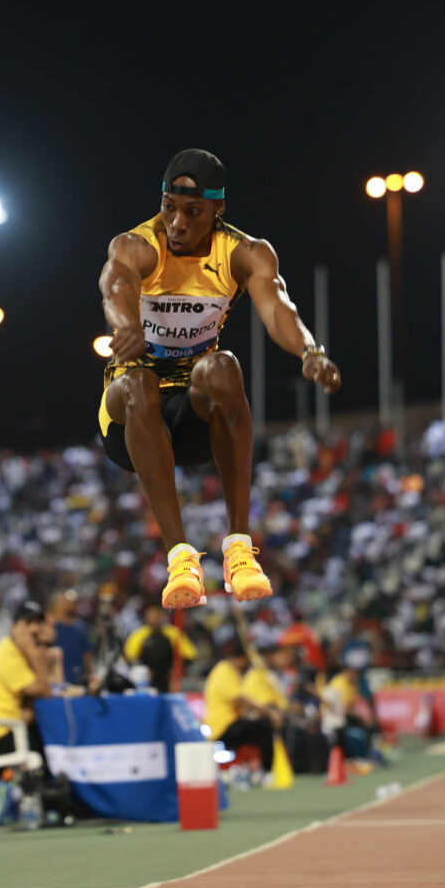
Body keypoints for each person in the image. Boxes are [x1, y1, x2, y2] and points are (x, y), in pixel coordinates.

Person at [98, 148, 341, 610]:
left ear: (218, 210)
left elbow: (278, 309)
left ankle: (238, 548)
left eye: (193, 212)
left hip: (195, 417)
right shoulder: (139, 244)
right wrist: (127, 323)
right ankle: (180, 558)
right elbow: (116, 284)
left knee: (223, 365)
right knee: (140, 383)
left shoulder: (244, 253)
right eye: (170, 207)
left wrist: (310, 350)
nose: (178, 223)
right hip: (133, 422)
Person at [0, 602, 59, 764]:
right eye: (28, 623)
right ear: (13, 627)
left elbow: (39, 691)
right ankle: (43, 785)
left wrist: (45, 648)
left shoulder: (14, 652)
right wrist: (33, 652)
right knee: (45, 736)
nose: (35, 629)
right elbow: (45, 692)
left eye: (38, 623)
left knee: (39, 729)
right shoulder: (9, 654)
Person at [203, 639, 276, 780]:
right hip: (223, 726)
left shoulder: (227, 671)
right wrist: (268, 711)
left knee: (256, 727)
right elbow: (240, 698)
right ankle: (266, 772)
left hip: (230, 722)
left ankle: (252, 769)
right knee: (264, 727)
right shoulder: (225, 670)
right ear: (241, 658)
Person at [122, 604, 198, 692]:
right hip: (146, 679)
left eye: (157, 616)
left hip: (169, 679)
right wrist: (145, 671)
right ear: (146, 618)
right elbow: (129, 657)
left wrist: (177, 669)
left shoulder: (173, 633)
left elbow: (190, 655)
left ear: (162, 617)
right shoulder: (139, 635)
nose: (154, 619)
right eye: (151, 616)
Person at [49, 589, 93, 687]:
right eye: (65, 602)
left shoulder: (82, 627)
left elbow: (87, 655)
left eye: (72, 602)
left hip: (77, 681)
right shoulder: (50, 627)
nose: (69, 605)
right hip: (56, 682)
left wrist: (91, 675)